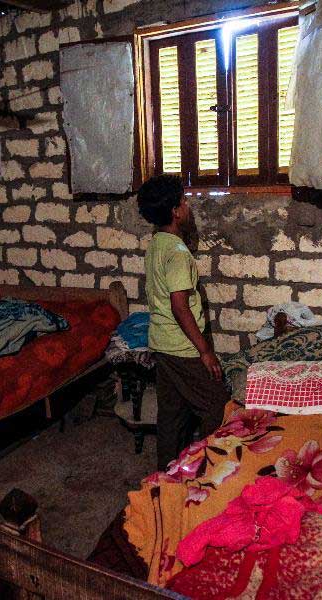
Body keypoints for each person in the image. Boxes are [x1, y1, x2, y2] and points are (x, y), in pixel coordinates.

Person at [137, 174, 230, 470]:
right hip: (182, 347)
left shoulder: (156, 244)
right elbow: (180, 307)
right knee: (217, 405)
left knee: (172, 414)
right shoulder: (178, 254)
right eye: (183, 201)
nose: (187, 206)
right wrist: (204, 350)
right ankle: (212, 468)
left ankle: (168, 472)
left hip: (161, 344)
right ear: (176, 211)